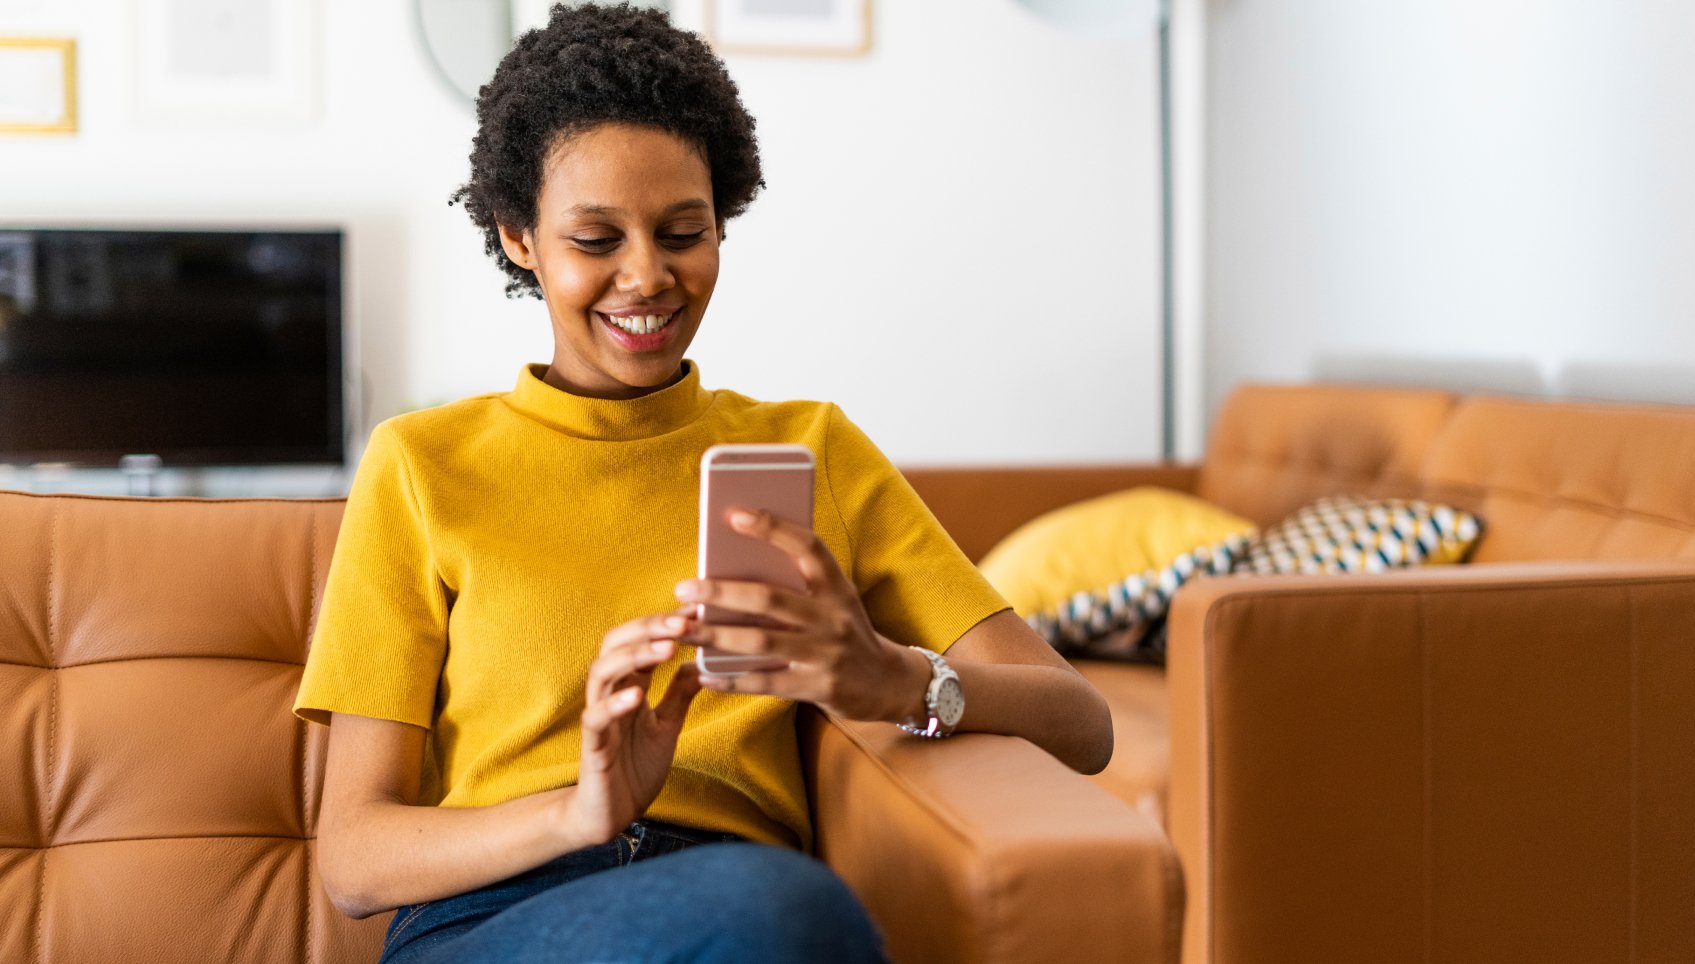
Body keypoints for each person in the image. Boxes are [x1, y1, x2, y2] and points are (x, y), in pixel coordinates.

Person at [292, 4, 1113, 962]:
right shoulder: (422, 465)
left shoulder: (814, 450)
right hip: (495, 920)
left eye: (684, 231)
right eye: (596, 240)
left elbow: (1082, 724)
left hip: (743, 916)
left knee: (774, 911)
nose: (647, 277)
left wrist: (894, 679)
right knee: (779, 907)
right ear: (520, 238)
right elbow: (353, 859)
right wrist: (581, 812)